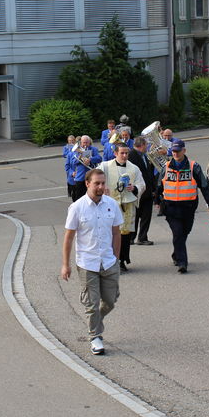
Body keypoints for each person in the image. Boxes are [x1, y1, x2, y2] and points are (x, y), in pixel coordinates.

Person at [61, 168, 124, 356]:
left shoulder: (112, 204)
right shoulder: (77, 207)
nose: (101, 187)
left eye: (103, 183)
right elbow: (68, 238)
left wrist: (116, 258)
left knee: (110, 301)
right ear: (87, 184)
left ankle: (95, 321)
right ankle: (95, 336)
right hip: (87, 263)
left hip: (109, 262)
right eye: (97, 183)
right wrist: (65, 264)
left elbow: (116, 233)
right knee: (92, 303)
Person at [154, 140, 209, 274]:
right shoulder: (166, 167)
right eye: (173, 151)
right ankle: (182, 262)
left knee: (184, 232)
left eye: (178, 151)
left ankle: (176, 254)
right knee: (178, 233)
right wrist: (156, 200)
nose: (175, 153)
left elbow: (204, 186)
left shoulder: (193, 166)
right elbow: (159, 186)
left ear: (184, 151)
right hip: (171, 208)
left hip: (188, 208)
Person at [101, 142, 145, 271]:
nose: (125, 155)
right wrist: (103, 186)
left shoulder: (134, 168)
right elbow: (95, 178)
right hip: (110, 204)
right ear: (115, 153)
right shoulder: (105, 166)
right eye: (122, 153)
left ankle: (122, 260)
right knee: (110, 234)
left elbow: (142, 184)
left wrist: (134, 188)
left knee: (124, 234)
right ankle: (109, 260)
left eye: (127, 153)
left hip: (127, 205)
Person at [128, 136, 156, 246]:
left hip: (147, 190)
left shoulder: (144, 155)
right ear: (142, 145)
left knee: (146, 216)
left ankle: (142, 237)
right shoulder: (131, 155)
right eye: (146, 145)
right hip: (137, 191)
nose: (147, 147)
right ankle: (131, 238)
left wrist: (153, 188)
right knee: (135, 216)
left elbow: (149, 173)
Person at [67, 135, 102, 201]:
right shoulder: (77, 150)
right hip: (80, 178)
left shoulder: (93, 149)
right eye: (83, 142)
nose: (85, 144)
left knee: (92, 197)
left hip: (91, 177)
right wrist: (80, 157)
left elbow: (99, 158)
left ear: (89, 142)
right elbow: (73, 162)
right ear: (81, 142)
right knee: (79, 199)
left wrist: (90, 159)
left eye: (86, 142)